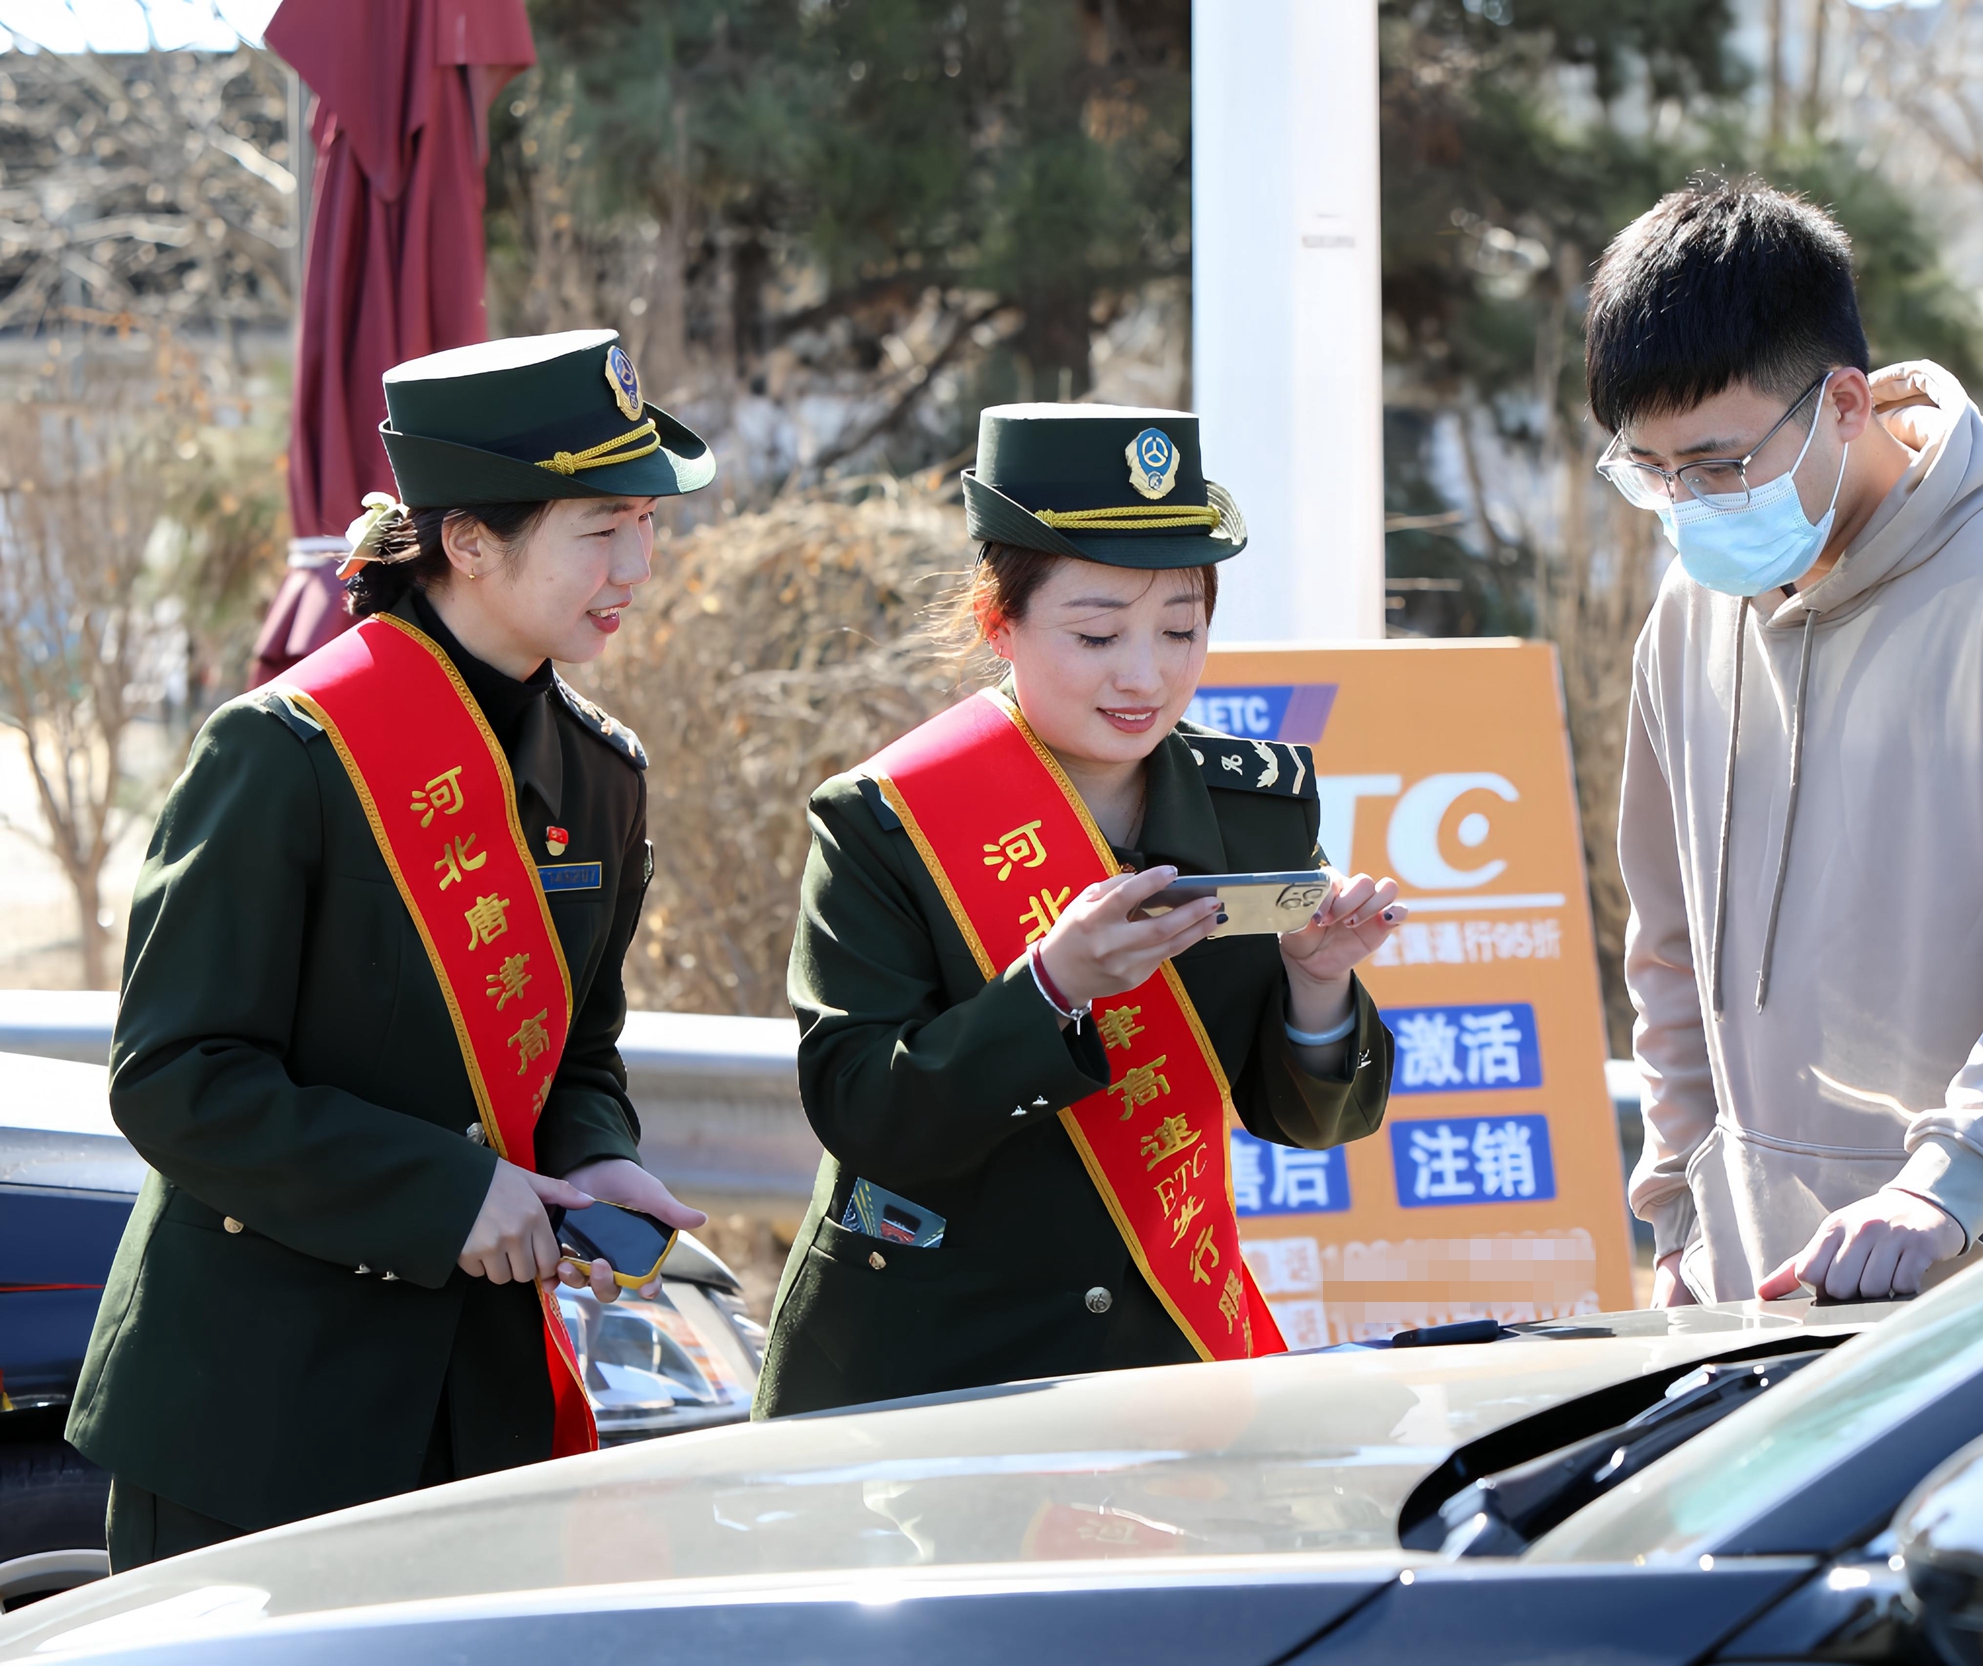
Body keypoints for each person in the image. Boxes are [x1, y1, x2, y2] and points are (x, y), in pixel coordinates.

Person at [68, 330, 715, 1568]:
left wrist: (599, 1159)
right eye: (600, 529)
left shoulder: (603, 774)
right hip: (257, 1412)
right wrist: (445, 1191)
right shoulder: (286, 751)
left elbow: (577, 1053)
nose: (637, 565)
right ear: (468, 541)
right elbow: (177, 1077)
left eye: (646, 522)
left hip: (481, 1410)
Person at [1591, 182, 1983, 1308]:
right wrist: (1678, 1215)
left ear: (1845, 403)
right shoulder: (1686, 615)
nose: (1688, 504)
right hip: (1764, 1288)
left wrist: (1950, 1185)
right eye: (1652, 472)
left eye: (1718, 465)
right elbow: (1668, 945)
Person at [753, 405, 1400, 1416]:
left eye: (1181, 629)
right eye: (1096, 634)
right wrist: (1050, 989)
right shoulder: (888, 821)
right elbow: (863, 1110)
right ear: (997, 623)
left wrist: (1318, 986)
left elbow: (1313, 1120)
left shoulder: (1254, 808)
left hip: (1158, 1359)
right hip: (927, 1370)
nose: (1145, 675)